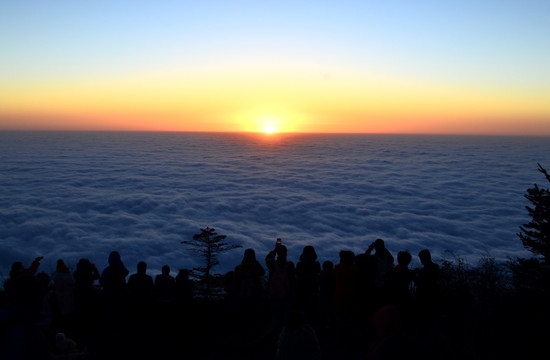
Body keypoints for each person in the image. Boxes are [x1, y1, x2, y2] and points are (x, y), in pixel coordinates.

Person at [266, 243, 296, 343]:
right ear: (286, 253)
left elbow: (267, 258)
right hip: (287, 294)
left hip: (274, 294)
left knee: (275, 317)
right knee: (285, 317)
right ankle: (286, 338)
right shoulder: (290, 265)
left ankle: (275, 338)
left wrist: (275, 250)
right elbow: (293, 279)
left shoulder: (272, 264)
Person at [295, 246, 321, 324]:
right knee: (312, 309)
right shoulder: (316, 264)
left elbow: (296, 275)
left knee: (302, 309)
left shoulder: (299, 264)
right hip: (313, 289)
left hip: (301, 290)